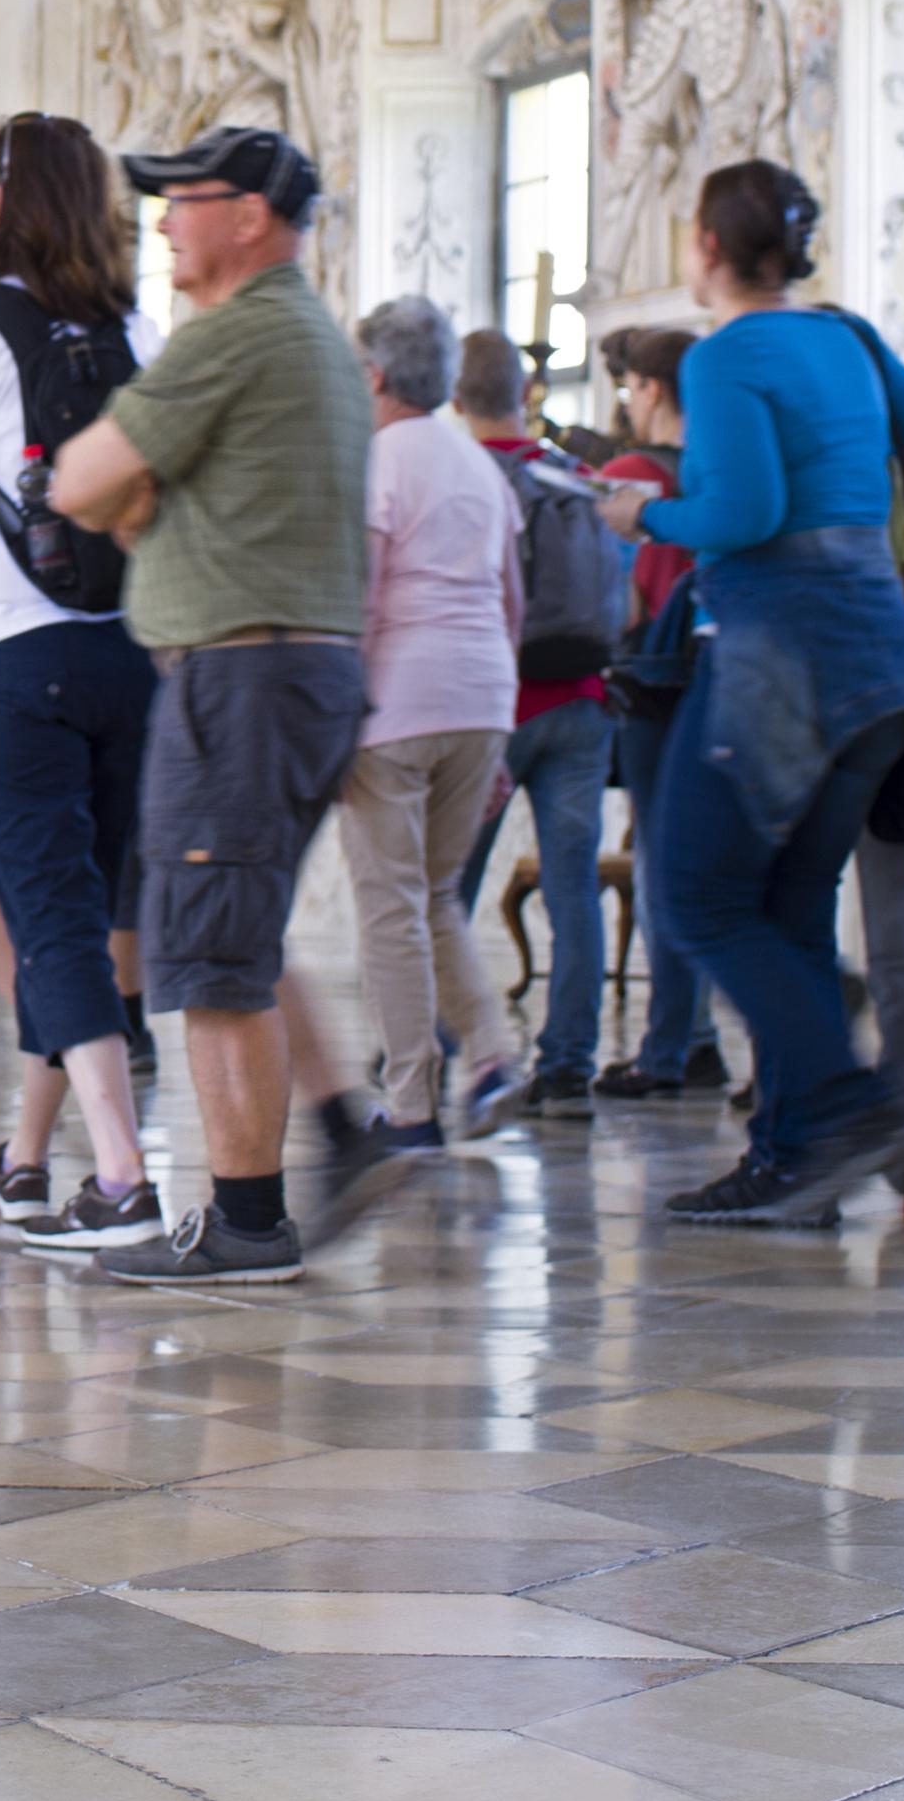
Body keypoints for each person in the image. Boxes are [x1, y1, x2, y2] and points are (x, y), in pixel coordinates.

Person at [593, 159, 904, 1231]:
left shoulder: (722, 360)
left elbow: (746, 510)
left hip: (785, 655)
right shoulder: (844, 339)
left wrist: (642, 518)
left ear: (706, 248)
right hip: (881, 658)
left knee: (697, 896)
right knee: (789, 911)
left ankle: (849, 1103)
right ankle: (791, 1157)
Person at [41, 125, 378, 1286]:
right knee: (238, 926)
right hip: (292, 674)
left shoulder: (235, 332)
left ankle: (243, 1222)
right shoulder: (310, 336)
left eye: (186, 200)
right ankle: (348, 1129)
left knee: (210, 959)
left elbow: (77, 480)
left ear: (250, 217)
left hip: (237, 677)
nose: (164, 220)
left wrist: (119, 492)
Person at [0, 115, 166, 1252]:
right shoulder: (135, 327)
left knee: (47, 916)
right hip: (126, 644)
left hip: (7, 646)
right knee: (87, 905)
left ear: (3, 197)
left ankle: (119, 1173)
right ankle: (22, 1158)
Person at [340, 297, 526, 1147]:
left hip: (398, 703)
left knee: (390, 903)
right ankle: (491, 1053)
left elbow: (365, 596)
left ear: (373, 373)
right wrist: (499, 731)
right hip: (482, 696)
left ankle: (411, 1104)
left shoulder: (378, 461)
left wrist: (337, 712)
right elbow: (513, 603)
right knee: (436, 892)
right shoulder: (479, 465)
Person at [458, 334, 613, 1109]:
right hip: (586, 703)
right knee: (574, 888)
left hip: (497, 709)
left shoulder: (466, 474)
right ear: (523, 393)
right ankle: (568, 1070)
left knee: (444, 888)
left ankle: (427, 1048)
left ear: (456, 398)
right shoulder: (577, 475)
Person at [580, 325, 727, 1101]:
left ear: (651, 389)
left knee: (661, 865)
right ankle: (696, 1036)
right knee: (693, 857)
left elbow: (623, 596)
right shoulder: (712, 470)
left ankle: (668, 1048)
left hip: (648, 678)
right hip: (715, 671)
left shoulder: (629, 475)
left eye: (631, 388)